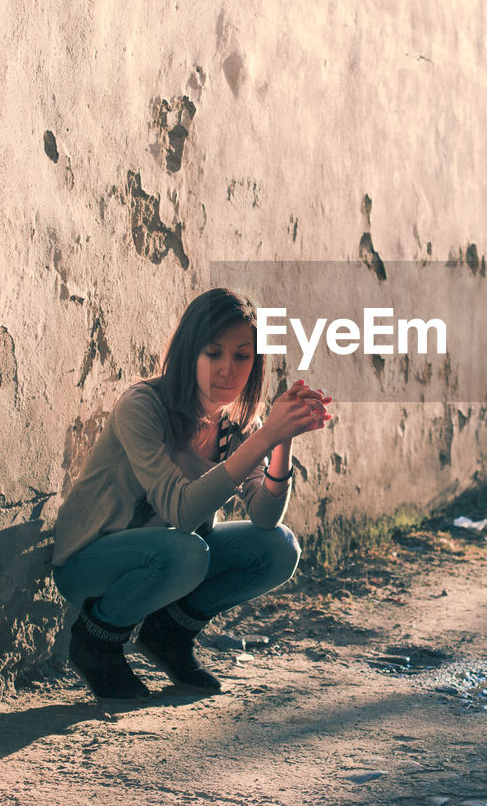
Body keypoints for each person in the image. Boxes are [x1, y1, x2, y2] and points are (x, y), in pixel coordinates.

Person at [52, 288, 332, 701]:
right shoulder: (143, 404)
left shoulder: (239, 426)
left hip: (173, 556)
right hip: (92, 561)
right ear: (189, 352)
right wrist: (267, 435)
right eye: (213, 352)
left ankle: (169, 632)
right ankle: (97, 639)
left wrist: (282, 439)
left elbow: (265, 518)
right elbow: (180, 512)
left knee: (278, 548)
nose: (227, 369)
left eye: (242, 356)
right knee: (186, 550)